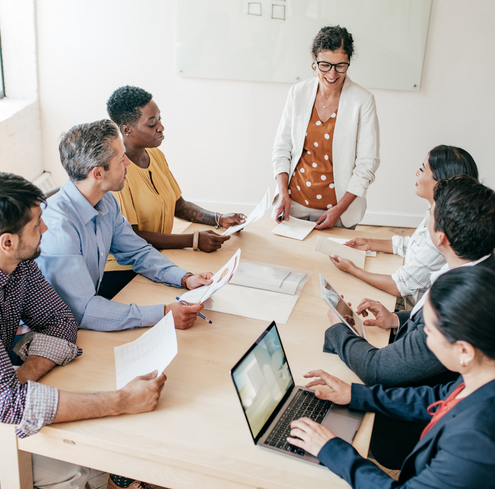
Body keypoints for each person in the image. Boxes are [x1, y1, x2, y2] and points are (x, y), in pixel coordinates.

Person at [0, 173, 166, 489]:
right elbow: (10, 406)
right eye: (36, 226)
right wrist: (121, 401)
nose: (45, 229)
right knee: (72, 467)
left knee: (91, 450)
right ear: (7, 242)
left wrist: (21, 381)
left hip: (9, 387)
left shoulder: (19, 264)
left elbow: (61, 320)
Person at [288, 266, 495, 488]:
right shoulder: (482, 372)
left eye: (429, 332)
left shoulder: (475, 439)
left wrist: (330, 448)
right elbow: (437, 396)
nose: (424, 336)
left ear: (464, 351)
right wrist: (356, 394)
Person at [37, 119, 213, 332]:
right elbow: (83, 311)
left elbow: (138, 251)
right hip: (53, 332)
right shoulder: (59, 229)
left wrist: (185, 278)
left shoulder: (106, 200)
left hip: (82, 319)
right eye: (121, 159)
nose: (128, 163)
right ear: (98, 174)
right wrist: (163, 313)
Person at [324, 175, 495, 388]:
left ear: (441, 237)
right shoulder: (475, 263)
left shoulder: (458, 306)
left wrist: (339, 328)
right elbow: (424, 321)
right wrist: (396, 319)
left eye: (431, 214)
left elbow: (376, 370)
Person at [105, 84, 246, 266]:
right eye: (151, 123)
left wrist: (218, 219)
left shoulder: (155, 155)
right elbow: (132, 236)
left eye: (159, 119)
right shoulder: (117, 171)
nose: (161, 127)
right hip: (126, 268)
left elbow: (178, 206)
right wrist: (193, 240)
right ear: (127, 130)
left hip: (159, 257)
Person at [330, 145, 478, 309]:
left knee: (343, 296)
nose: (417, 172)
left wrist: (353, 269)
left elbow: (400, 286)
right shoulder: (436, 212)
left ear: (440, 183)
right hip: (407, 298)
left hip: (410, 309)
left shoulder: (441, 232)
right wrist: (370, 243)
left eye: (422, 169)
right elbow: (412, 245)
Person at [272, 25, 379, 229]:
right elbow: (281, 148)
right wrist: (283, 195)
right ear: (314, 58)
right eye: (325, 65)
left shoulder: (363, 101)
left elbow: (367, 164)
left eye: (340, 65)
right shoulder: (298, 93)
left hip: (338, 211)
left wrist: (338, 210)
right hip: (293, 205)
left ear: (349, 62)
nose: (332, 74)